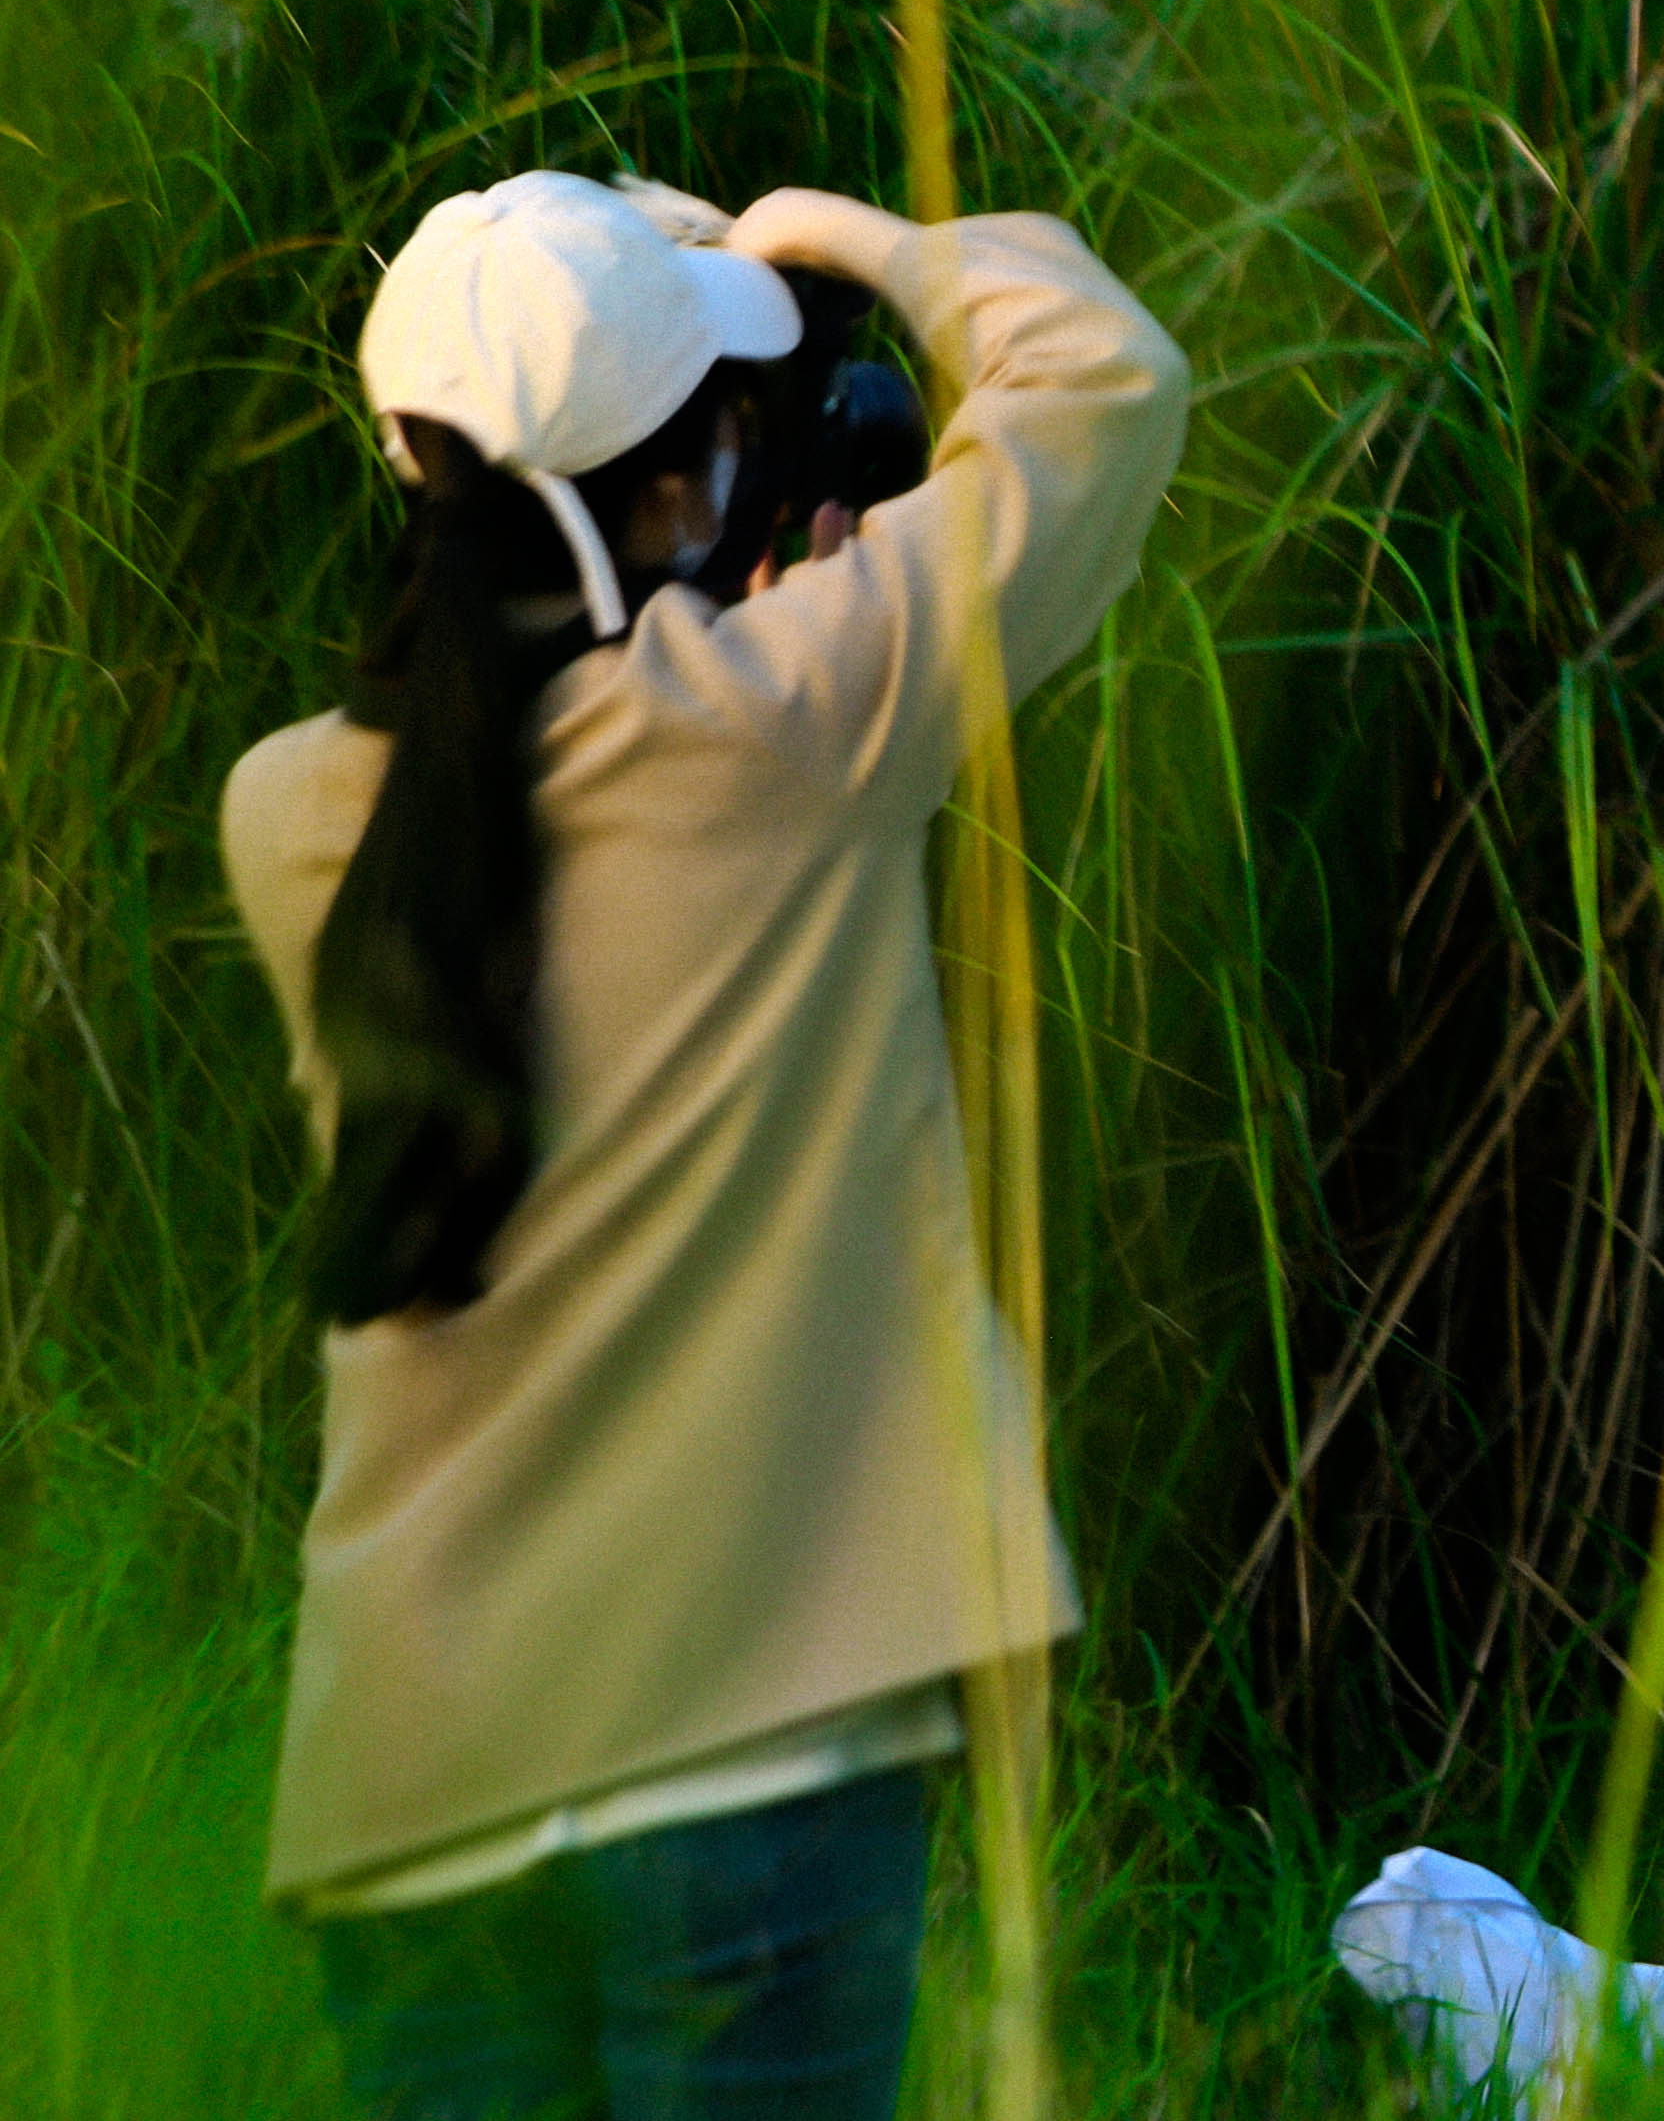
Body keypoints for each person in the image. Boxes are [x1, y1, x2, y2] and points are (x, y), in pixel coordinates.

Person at [222, 170, 1191, 2118]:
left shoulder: (290, 822)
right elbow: (1104, 378)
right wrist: (849, 241)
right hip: (739, 1750)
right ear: (681, 484)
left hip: (410, 1794)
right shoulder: (794, 716)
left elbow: (546, 766)